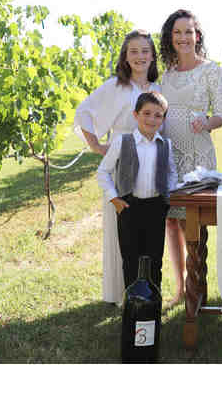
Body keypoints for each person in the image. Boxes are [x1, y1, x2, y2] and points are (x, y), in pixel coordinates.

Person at [73, 29, 161, 304]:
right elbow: (83, 111)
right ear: (125, 56)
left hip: (150, 165)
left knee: (146, 233)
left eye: (145, 51)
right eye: (133, 51)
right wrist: (97, 146)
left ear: (153, 55)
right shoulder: (116, 86)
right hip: (121, 162)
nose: (139, 56)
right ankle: (121, 292)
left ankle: (147, 291)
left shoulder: (157, 89)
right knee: (121, 230)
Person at [158, 9, 222, 305]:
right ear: (170, 37)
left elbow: (221, 114)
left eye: (188, 31)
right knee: (171, 222)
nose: (183, 37)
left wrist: (206, 122)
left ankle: (198, 286)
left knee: (193, 221)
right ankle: (180, 287)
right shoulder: (166, 74)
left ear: (197, 35)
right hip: (168, 155)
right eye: (177, 32)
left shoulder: (210, 70)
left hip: (198, 156)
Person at [96, 92, 178, 290]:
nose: (151, 119)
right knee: (131, 260)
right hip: (128, 207)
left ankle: (153, 303)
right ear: (135, 114)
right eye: (146, 113)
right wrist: (114, 199)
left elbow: (172, 173)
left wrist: (167, 198)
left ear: (163, 119)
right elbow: (103, 172)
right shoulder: (122, 142)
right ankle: (132, 304)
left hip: (156, 208)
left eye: (158, 115)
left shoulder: (165, 145)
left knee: (154, 260)